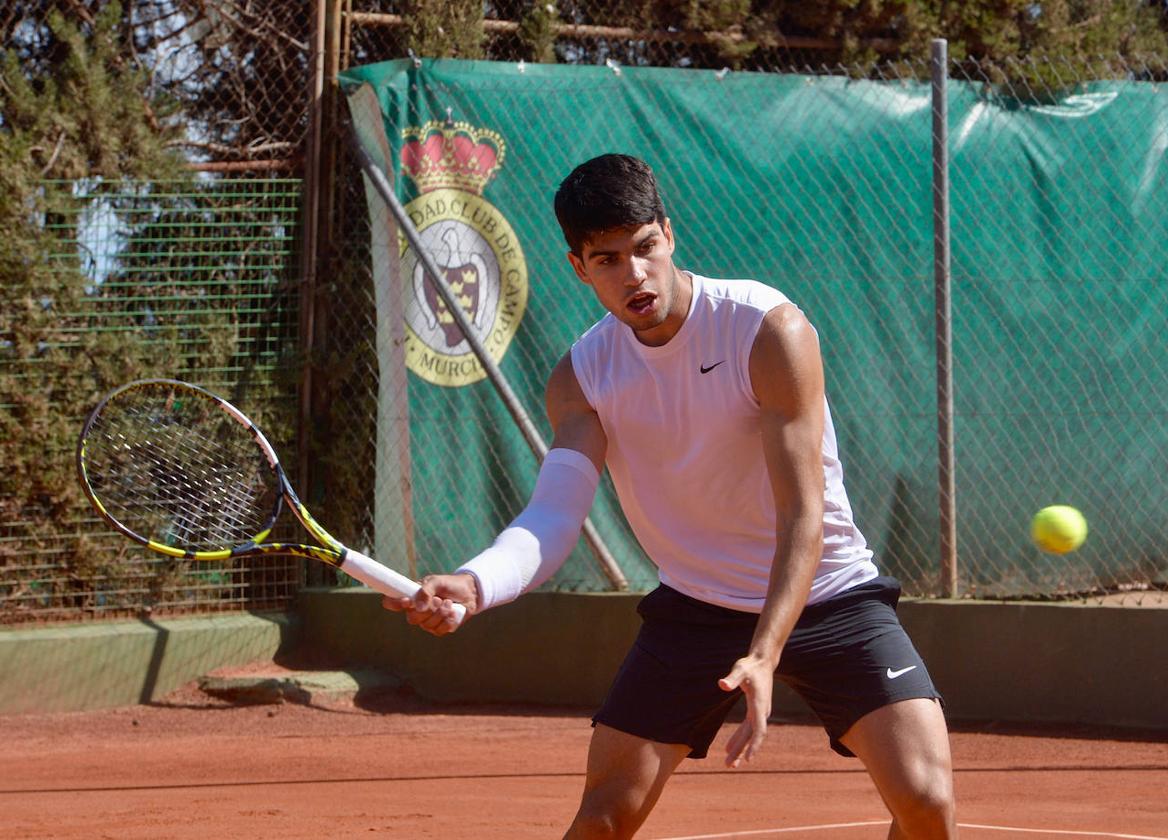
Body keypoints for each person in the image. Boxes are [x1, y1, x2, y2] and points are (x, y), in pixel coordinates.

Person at [384, 153, 957, 839]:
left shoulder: (768, 330)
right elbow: (554, 514)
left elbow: (802, 515)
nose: (634, 275)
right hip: (696, 612)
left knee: (925, 802)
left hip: (826, 594)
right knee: (603, 819)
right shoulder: (583, 377)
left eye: (645, 248)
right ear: (578, 267)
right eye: (607, 260)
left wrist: (766, 653)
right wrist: (478, 584)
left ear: (668, 232)